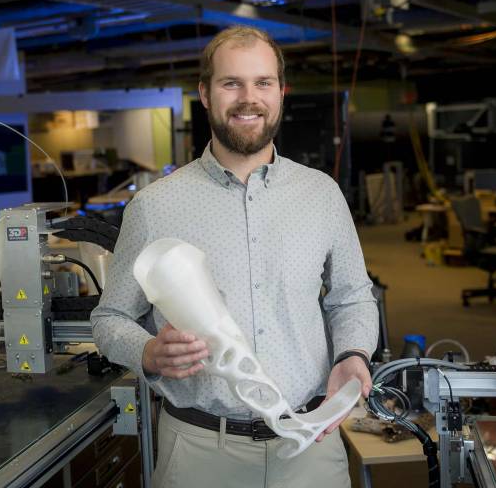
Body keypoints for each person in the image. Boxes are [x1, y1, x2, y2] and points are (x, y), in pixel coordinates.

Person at [92, 25, 378, 488]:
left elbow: (352, 297)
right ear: (205, 93)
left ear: (280, 92)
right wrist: (147, 351)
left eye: (263, 83)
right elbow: (110, 318)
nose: (250, 98)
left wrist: (353, 353)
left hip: (310, 448)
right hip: (201, 450)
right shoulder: (154, 205)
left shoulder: (320, 194)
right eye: (232, 83)